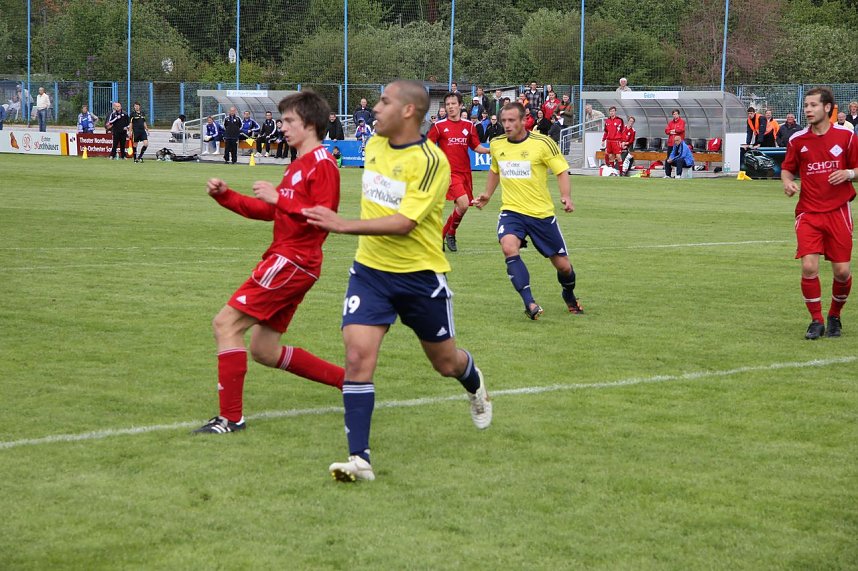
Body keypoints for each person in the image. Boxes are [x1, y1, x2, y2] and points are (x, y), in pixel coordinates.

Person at [302, 80, 492, 483]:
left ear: (408, 111)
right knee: (356, 358)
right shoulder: (372, 145)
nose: (376, 108)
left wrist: (343, 224)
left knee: (446, 363)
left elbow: (405, 224)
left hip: (420, 277)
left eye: (385, 102)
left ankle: (474, 383)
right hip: (370, 272)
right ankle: (360, 459)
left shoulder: (431, 161)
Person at [194, 90, 345, 435]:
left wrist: (281, 198)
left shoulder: (323, 165)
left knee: (225, 325)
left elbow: (324, 217)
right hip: (293, 261)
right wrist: (226, 196)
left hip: (293, 260)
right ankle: (349, 383)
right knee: (264, 349)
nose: (283, 127)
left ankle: (230, 419)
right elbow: (272, 210)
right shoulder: (299, 165)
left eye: (289, 121)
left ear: (309, 124)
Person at [472, 101, 582, 320]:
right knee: (508, 248)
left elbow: (561, 171)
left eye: (512, 120)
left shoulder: (543, 143)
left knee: (564, 267)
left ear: (524, 120)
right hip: (512, 212)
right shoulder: (497, 143)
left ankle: (569, 294)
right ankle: (529, 303)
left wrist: (566, 196)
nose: (507, 125)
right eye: (504, 120)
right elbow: (495, 169)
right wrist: (487, 194)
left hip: (541, 215)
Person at [780, 87, 856, 340]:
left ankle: (835, 315)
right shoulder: (798, 140)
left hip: (838, 212)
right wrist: (787, 182)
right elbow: (787, 169)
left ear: (827, 108)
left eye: (813, 105)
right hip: (809, 213)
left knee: (842, 272)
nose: (808, 110)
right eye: (806, 106)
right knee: (809, 267)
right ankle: (816, 320)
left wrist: (849, 174)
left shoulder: (846, 137)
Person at [428, 91, 491, 253]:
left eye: (453, 104)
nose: (450, 107)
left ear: (461, 105)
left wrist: (489, 151)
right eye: (447, 104)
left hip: (465, 172)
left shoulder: (469, 125)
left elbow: (475, 146)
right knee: (463, 204)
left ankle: (450, 233)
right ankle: (444, 235)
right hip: (449, 173)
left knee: (462, 208)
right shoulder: (438, 126)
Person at [602, 106, 625, 171]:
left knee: (618, 156)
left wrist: (623, 141)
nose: (612, 113)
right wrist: (603, 140)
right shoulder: (607, 121)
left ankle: (621, 171)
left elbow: (622, 131)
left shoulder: (619, 120)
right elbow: (606, 132)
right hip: (609, 141)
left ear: (615, 112)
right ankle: (612, 171)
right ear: (609, 112)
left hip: (616, 141)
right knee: (610, 157)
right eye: (611, 111)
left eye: (613, 111)